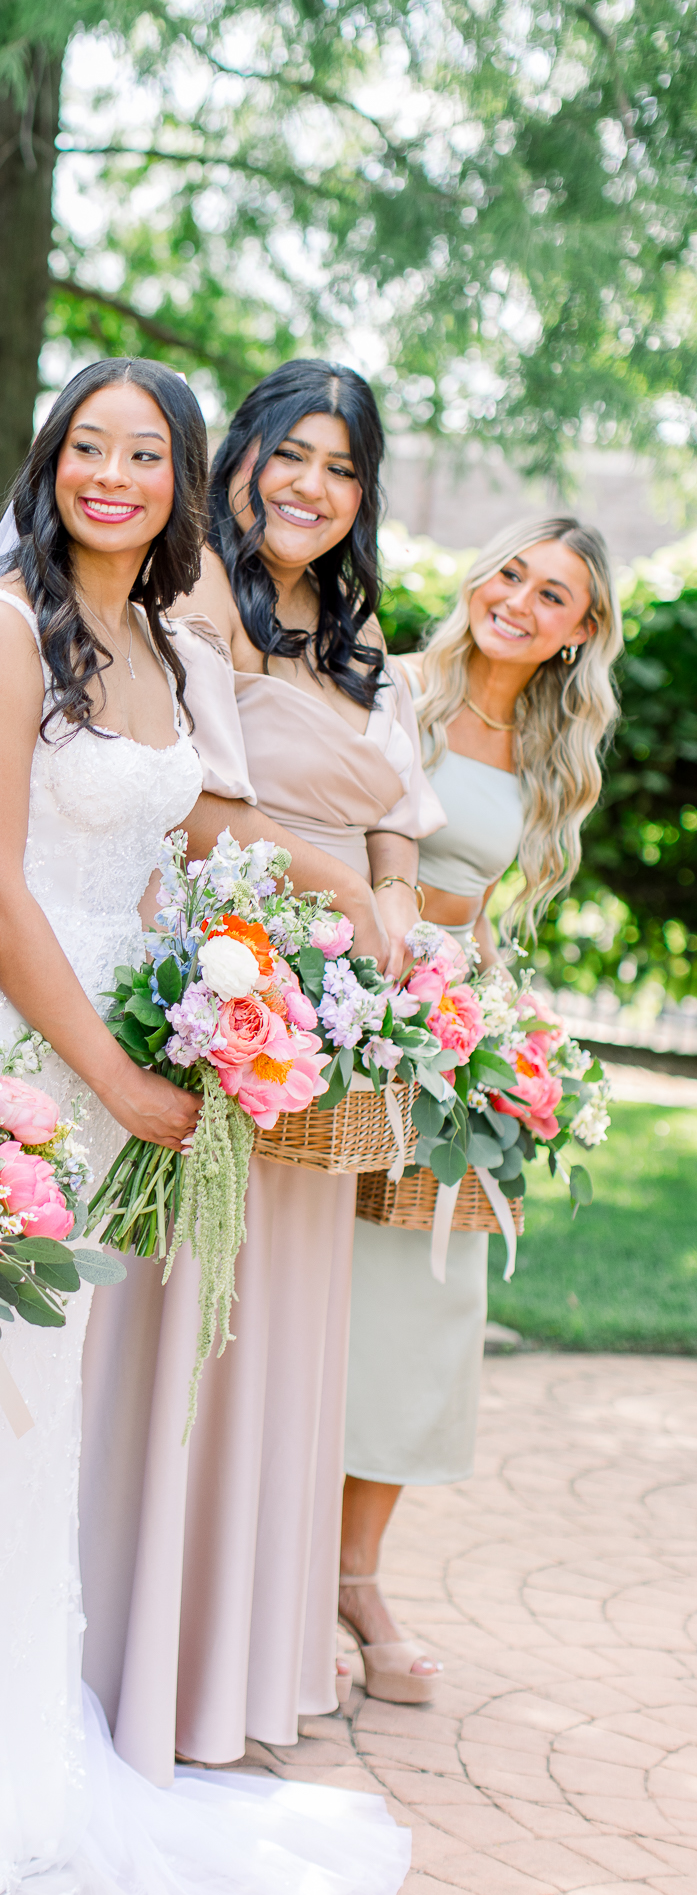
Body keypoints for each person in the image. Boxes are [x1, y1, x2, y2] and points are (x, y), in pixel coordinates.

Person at [0, 356, 410, 1895]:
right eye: (88, 446)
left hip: (113, 1040)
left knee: (33, 1426)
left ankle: (0, 1743)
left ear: (183, 481)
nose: (112, 474)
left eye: (146, 453)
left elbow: (198, 832)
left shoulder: (165, 648)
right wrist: (118, 1086)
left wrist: (336, 923)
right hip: (13, 1052)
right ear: (50, 462)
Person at [81, 358, 446, 1784]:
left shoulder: (346, 627)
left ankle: (247, 1657)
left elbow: (396, 802)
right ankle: (151, 1658)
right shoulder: (199, 601)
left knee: (291, 1319)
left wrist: (397, 908)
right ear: (239, 458)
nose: (311, 487)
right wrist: (353, 913)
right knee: (202, 1316)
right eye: (289, 455)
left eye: (342, 469)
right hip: (231, 975)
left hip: (335, 1005)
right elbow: (205, 807)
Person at [340, 515, 621, 1699]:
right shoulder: (388, 689)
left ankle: (353, 1578)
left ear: (578, 632)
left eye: (550, 593)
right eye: (508, 571)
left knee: (425, 1301)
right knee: (319, 1293)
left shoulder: (551, 751)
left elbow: (480, 903)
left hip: (451, 1033)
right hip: (343, 1004)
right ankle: (266, 1564)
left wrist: (507, 1038)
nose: (516, 600)